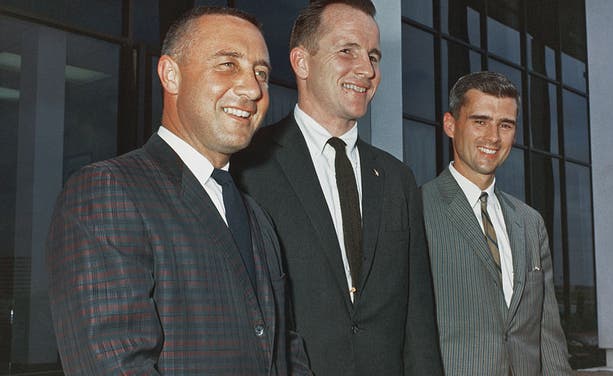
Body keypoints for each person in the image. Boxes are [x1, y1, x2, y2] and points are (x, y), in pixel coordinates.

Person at [46, 6, 311, 375]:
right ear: (171, 75)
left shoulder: (258, 219)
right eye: (227, 64)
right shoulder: (107, 193)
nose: (253, 89)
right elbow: (115, 366)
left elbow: (285, 350)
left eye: (261, 73)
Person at [231, 1, 443, 375]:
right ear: (301, 62)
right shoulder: (248, 168)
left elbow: (418, 321)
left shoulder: (399, 180)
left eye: (373, 56)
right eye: (347, 51)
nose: (367, 70)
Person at [422, 71, 573, 375]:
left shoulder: (530, 223)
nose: (493, 137)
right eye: (480, 121)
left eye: (505, 125)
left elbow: (549, 334)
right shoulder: (417, 210)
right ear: (450, 125)